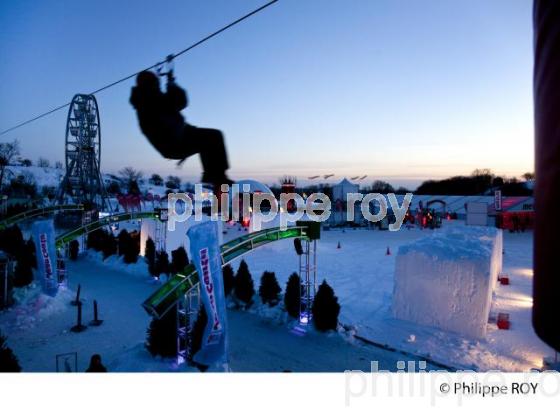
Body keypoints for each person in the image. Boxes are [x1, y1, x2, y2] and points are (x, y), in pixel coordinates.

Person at [130, 71, 232, 192]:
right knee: (212, 138)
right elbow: (180, 102)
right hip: (174, 142)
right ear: (150, 84)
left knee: (212, 137)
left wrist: (171, 85)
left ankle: (215, 176)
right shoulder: (149, 100)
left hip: (177, 138)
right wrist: (172, 85)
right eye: (156, 83)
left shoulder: (148, 99)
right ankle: (216, 177)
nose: (158, 86)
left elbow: (175, 103)